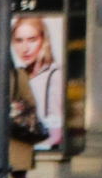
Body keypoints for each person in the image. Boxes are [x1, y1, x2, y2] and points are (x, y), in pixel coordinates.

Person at [11, 13, 64, 150]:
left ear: (43, 40)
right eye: (19, 40)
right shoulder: (18, 75)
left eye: (32, 39)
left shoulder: (55, 76)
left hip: (42, 151)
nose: (25, 48)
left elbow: (56, 131)